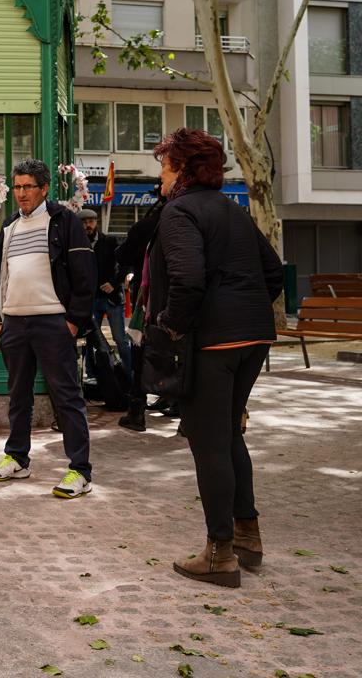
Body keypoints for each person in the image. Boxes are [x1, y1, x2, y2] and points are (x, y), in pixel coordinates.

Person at [147, 128, 283, 588]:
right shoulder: (232, 210)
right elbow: (273, 272)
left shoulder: (178, 212)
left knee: (209, 444)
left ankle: (219, 554)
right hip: (253, 339)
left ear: (181, 170)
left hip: (212, 343)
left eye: (163, 168)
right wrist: (245, 310)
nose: (160, 178)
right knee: (227, 436)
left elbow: (187, 281)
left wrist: (169, 327)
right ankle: (247, 536)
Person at [0, 159, 96, 498]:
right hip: (15, 322)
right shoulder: (9, 227)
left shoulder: (64, 222)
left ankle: (80, 471)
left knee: (66, 396)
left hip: (53, 321)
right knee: (18, 395)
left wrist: (73, 320)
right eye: (17, 187)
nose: (21, 194)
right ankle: (17, 458)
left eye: (28, 187)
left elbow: (84, 274)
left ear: (44, 188)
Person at [113, 189, 167, 431]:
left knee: (141, 351)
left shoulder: (148, 225)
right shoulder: (194, 221)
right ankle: (180, 409)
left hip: (149, 301)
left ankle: (137, 411)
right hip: (181, 300)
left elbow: (123, 254)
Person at [78, 208, 131, 374]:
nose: (88, 225)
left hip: (111, 298)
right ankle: (91, 376)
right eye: (84, 222)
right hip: (90, 299)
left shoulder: (110, 241)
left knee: (120, 339)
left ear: (96, 222)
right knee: (90, 339)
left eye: (91, 221)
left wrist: (114, 284)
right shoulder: (77, 244)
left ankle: (129, 375)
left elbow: (126, 264)